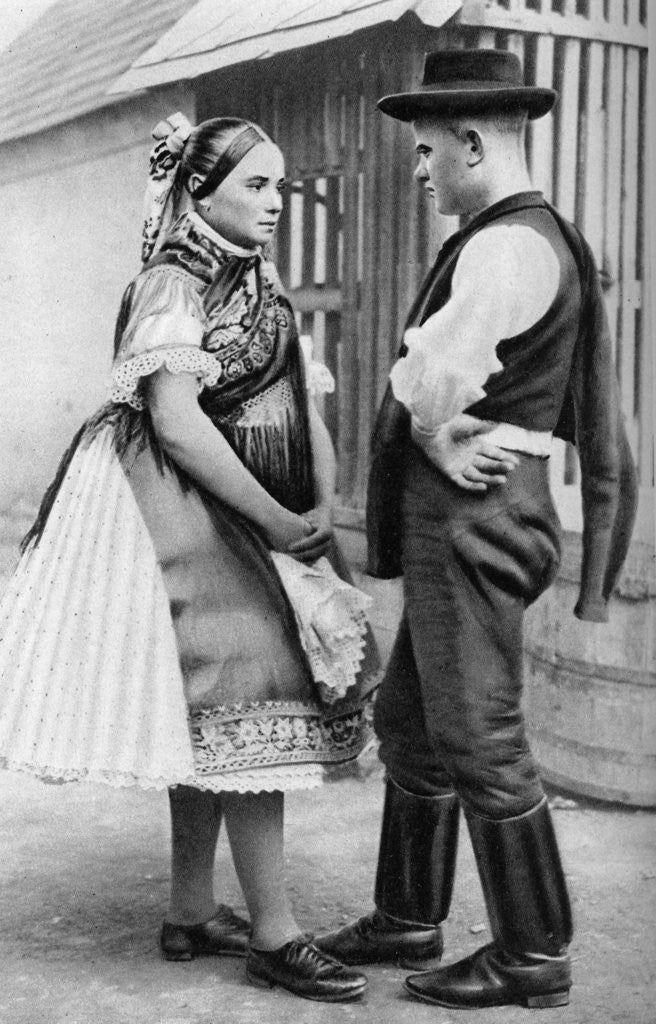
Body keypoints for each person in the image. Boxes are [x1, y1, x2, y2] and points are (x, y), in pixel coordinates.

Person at [0, 112, 380, 1003]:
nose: (274, 202)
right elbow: (175, 423)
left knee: (207, 710)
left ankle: (191, 907)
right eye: (256, 184)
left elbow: (302, 401)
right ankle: (275, 936)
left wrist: (315, 506)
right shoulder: (175, 280)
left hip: (253, 501)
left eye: (280, 186)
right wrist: (274, 524)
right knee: (244, 684)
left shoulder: (266, 284)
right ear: (200, 192)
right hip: (163, 499)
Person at [315, 49, 637, 1010]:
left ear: (469, 141)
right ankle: (409, 915)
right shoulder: (530, 236)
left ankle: (535, 951)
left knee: (478, 734)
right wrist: (441, 431)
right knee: (413, 723)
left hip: (475, 513)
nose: (418, 171)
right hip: (474, 511)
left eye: (424, 152)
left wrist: (433, 432)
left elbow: (427, 375)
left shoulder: (506, 245)